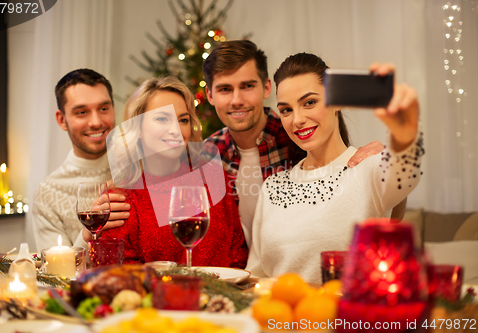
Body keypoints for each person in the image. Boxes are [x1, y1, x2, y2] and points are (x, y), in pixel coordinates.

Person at [202, 40, 406, 247]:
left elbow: (358, 191)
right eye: (225, 89)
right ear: (209, 95)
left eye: (247, 86)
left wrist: (390, 165)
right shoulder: (205, 157)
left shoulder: (296, 134)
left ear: (266, 88)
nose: (237, 100)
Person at [246, 53, 423, 282]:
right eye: (286, 109)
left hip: (346, 316)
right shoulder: (272, 187)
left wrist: (403, 137)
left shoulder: (369, 167)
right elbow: (256, 276)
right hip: (279, 315)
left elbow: (405, 174)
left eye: (309, 102)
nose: (297, 119)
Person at [91, 76, 247, 268]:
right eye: (162, 118)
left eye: (183, 120)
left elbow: (237, 254)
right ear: (137, 127)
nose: (175, 130)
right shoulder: (120, 197)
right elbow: (114, 271)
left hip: (224, 296)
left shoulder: (213, 176)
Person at [32, 69, 130, 251]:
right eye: (82, 112)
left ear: (113, 109)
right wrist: (88, 233)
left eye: (103, 109)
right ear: (62, 120)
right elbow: (55, 276)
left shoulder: (139, 167)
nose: (96, 122)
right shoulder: (47, 194)